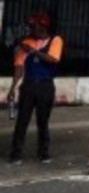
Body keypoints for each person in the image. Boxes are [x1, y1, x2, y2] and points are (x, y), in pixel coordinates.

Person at [7, 12, 63, 165]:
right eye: (31, 26)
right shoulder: (26, 42)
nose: (32, 29)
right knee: (22, 120)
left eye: (35, 26)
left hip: (45, 85)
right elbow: (19, 67)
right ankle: (16, 153)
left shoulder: (55, 40)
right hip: (29, 84)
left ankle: (43, 152)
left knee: (43, 121)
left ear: (43, 27)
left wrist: (32, 51)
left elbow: (53, 59)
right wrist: (12, 88)